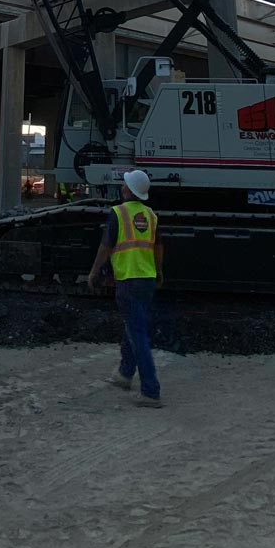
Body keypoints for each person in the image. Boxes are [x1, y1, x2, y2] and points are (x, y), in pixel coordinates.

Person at [87, 169, 163, 406]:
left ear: (130, 190)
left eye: (125, 185)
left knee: (137, 332)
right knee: (134, 325)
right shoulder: (151, 215)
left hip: (128, 280)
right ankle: (125, 374)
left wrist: (94, 271)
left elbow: (105, 246)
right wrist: (159, 271)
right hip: (147, 279)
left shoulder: (118, 213)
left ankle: (151, 391)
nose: (122, 187)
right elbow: (159, 246)